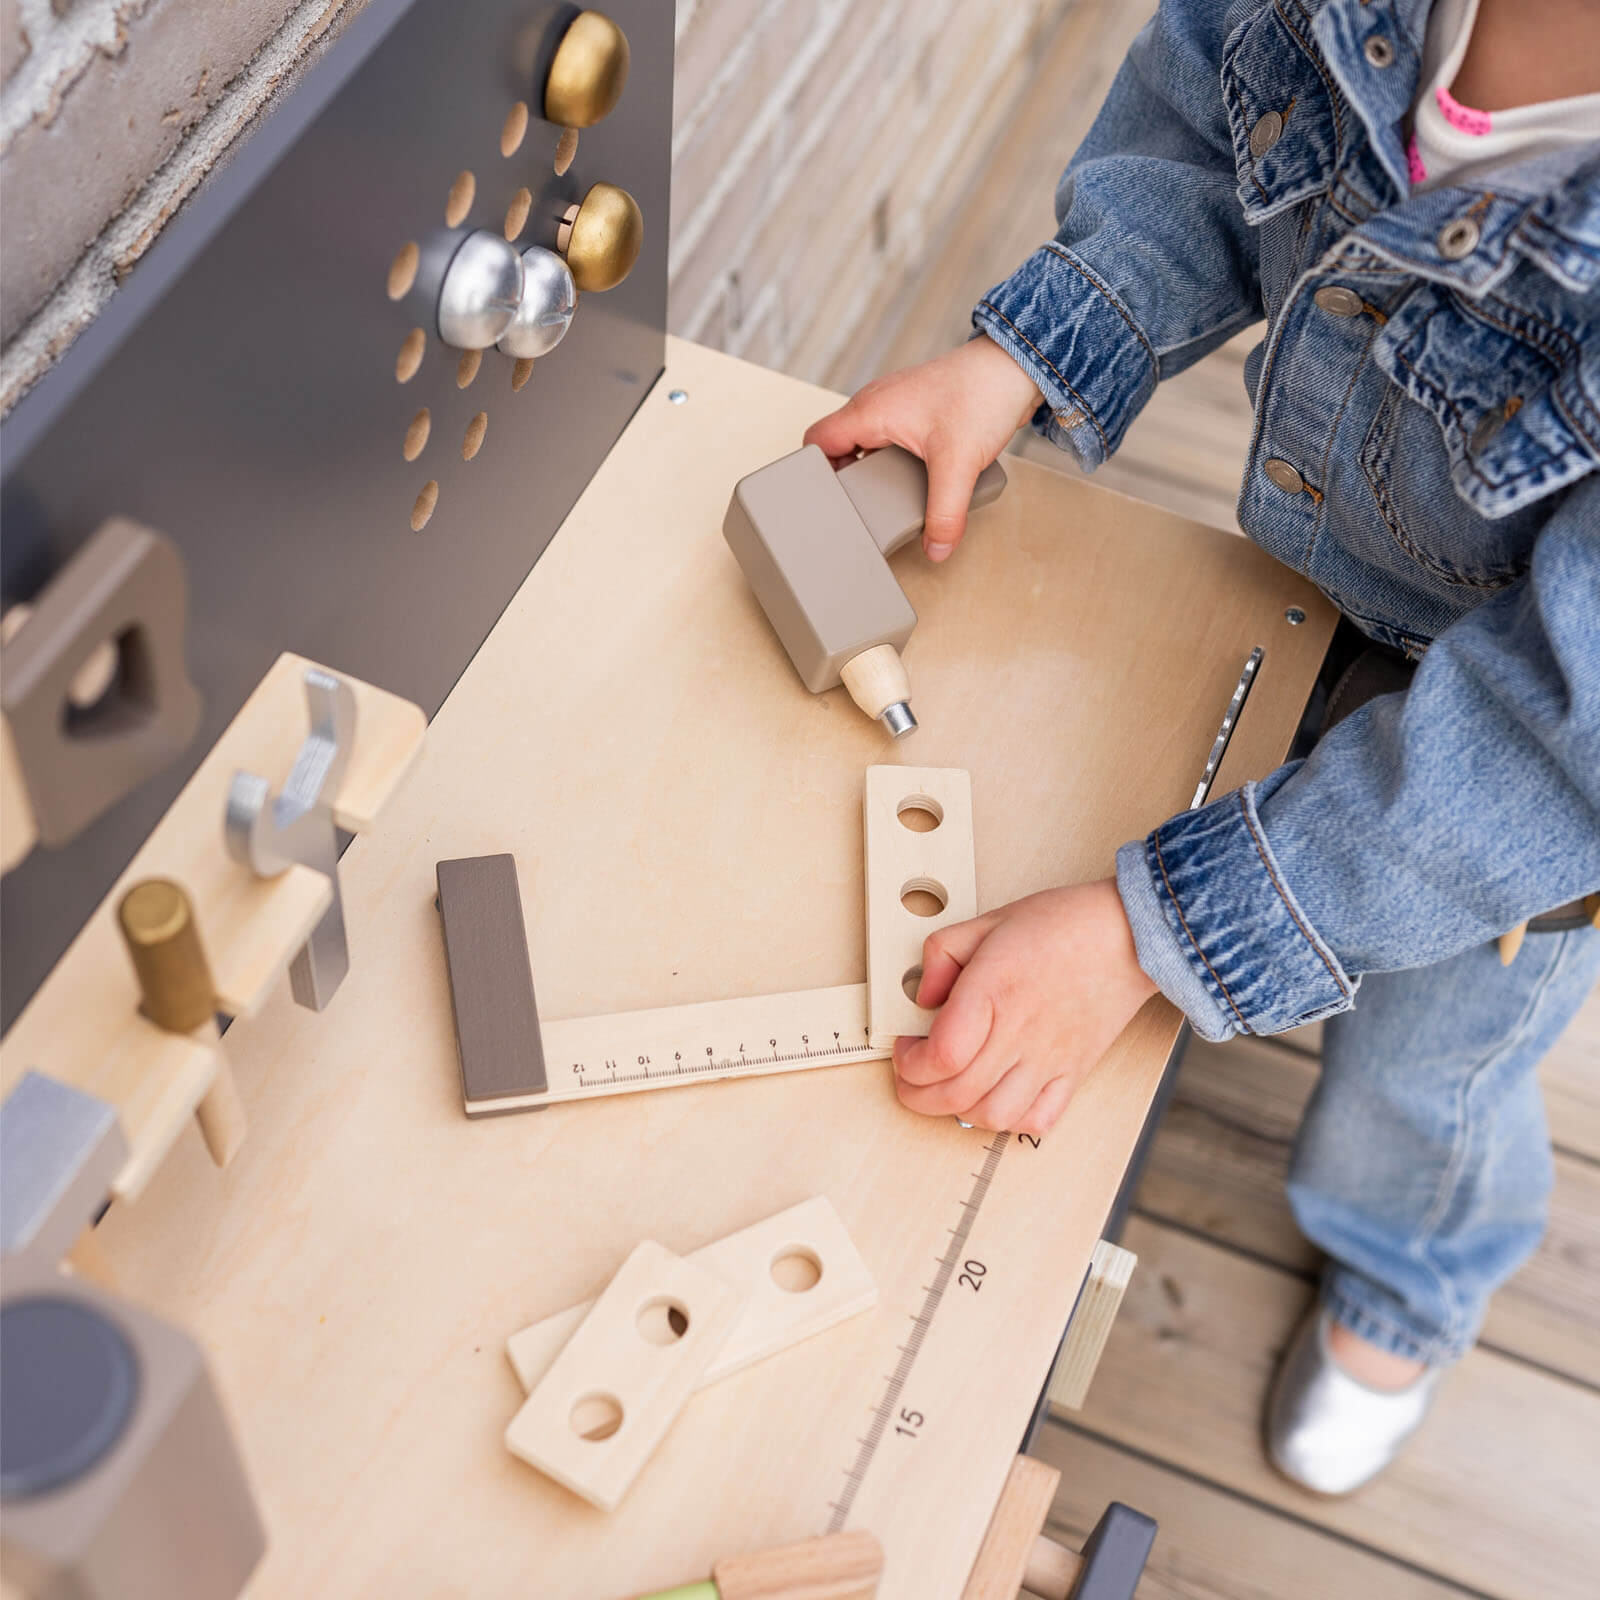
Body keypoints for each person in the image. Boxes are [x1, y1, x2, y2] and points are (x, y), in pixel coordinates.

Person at [805, 0, 1599, 1495]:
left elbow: (1561, 753)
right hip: (1319, 584)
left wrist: (1144, 936)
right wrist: (1039, 348)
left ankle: (1404, 1279)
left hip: (1524, 812)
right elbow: (1211, 130)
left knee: (1420, 1082)